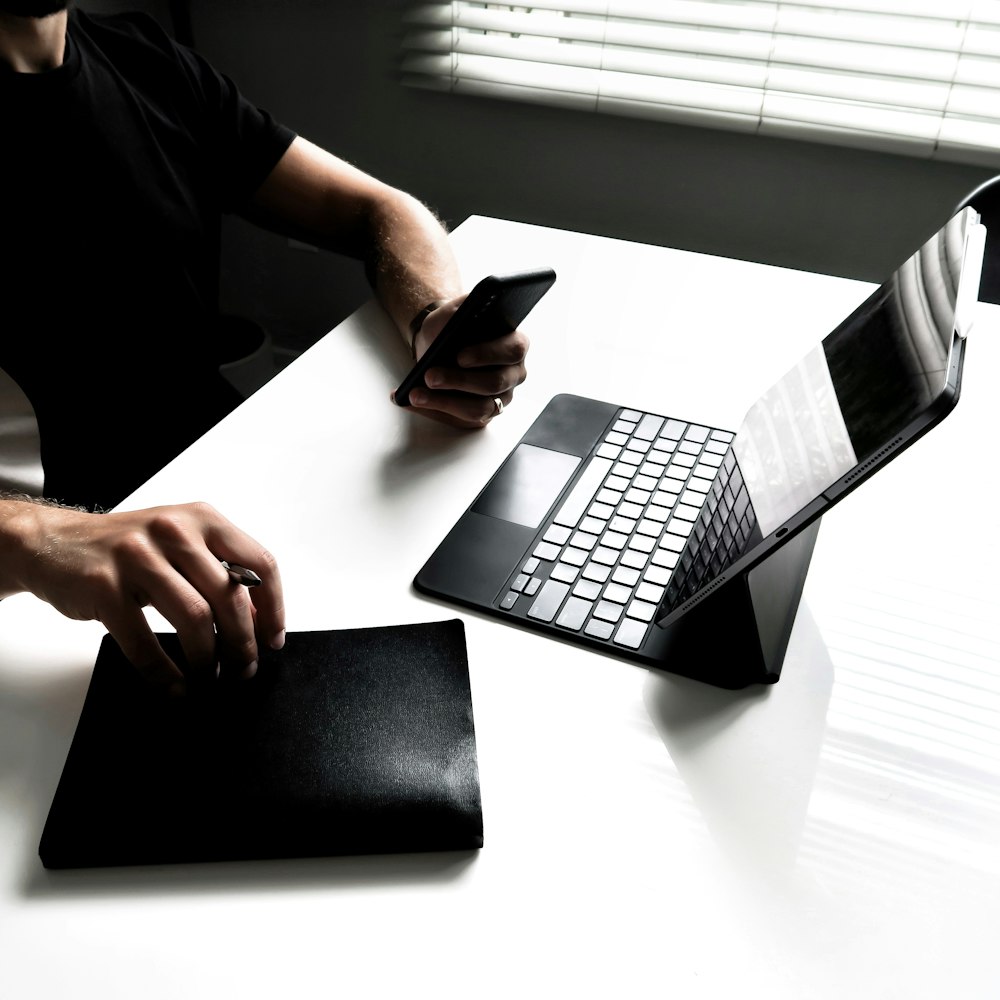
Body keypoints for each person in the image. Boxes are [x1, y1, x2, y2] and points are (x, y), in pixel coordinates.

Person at [0, 2, 530, 694]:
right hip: (62, 601)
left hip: (242, 510)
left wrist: (433, 315)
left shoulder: (144, 59)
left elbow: (378, 210)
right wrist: (37, 540)